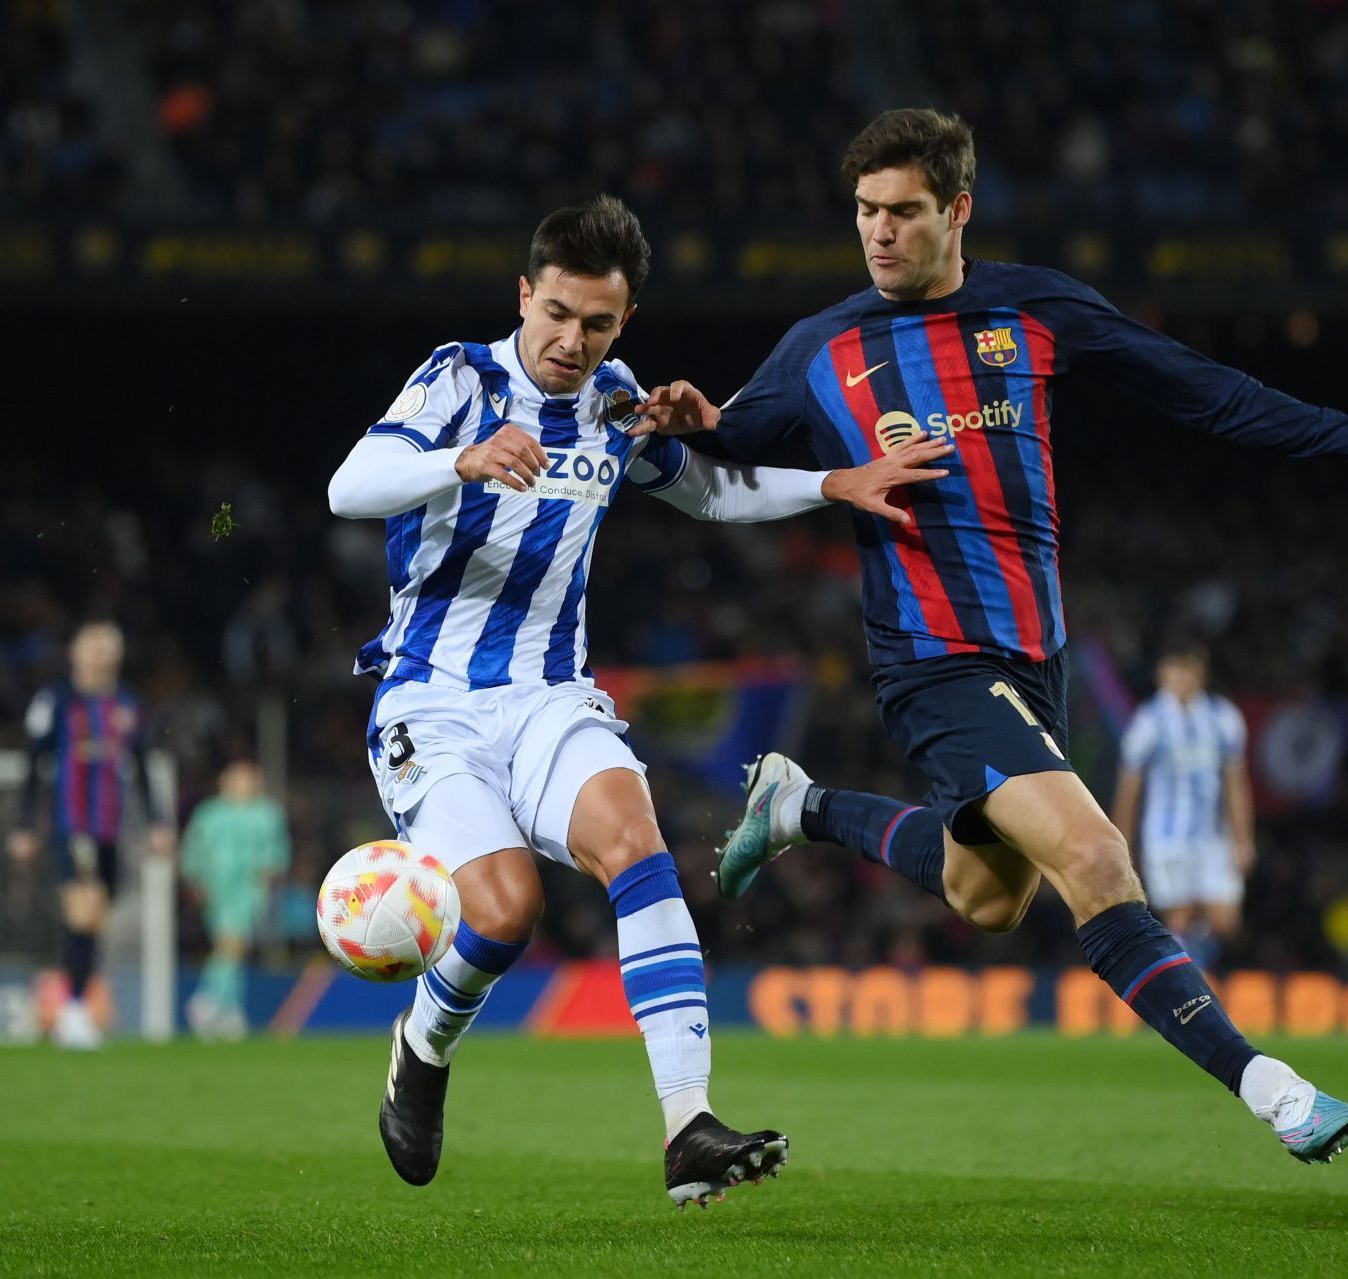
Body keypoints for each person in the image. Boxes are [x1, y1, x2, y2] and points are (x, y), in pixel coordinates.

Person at [636, 108, 1348, 1165]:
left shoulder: (1036, 309)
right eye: (864, 212)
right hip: (930, 659)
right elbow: (727, 453)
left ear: (957, 210)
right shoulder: (822, 347)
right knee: (1093, 855)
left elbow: (1206, 394)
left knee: (984, 895)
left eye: (903, 211)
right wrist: (693, 421)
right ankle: (1274, 1088)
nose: (879, 233)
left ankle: (800, 803)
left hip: (1030, 659)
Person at [326, 194, 949, 1205]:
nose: (573, 341)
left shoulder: (615, 401)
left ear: (624, 324)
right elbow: (349, 486)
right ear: (524, 294)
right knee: (502, 916)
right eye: (559, 314)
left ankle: (686, 1125)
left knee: (639, 847)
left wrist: (835, 483)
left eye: (599, 324)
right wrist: (462, 459)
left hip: (550, 699)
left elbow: (706, 490)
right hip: (431, 705)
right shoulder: (459, 377)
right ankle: (424, 1044)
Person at [10, 620, 174, 1049]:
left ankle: (69, 1001)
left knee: (94, 914)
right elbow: (32, 763)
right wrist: (25, 824)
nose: (103, 652)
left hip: (110, 827)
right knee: (83, 909)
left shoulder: (127, 703)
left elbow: (141, 765)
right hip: (73, 823)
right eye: (95, 644)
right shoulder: (56, 700)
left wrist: (157, 822)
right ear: (75, 651)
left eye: (110, 645)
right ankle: (74, 1009)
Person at [1108, 644, 1252, 972]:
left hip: (1215, 837)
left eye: (1185, 671)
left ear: (1200, 675)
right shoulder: (1148, 722)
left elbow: (1236, 784)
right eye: (1172, 671)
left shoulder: (1223, 717)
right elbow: (1129, 789)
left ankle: (1194, 974)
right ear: (1161, 676)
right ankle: (1192, 990)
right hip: (1166, 837)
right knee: (1180, 915)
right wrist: (1123, 842)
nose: (1178, 679)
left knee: (1226, 919)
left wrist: (1243, 838)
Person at [181, 759, 290, 1040]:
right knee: (230, 945)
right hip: (218, 886)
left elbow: (277, 852)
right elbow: (194, 849)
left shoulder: (266, 813)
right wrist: (196, 879)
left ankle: (224, 1007)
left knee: (234, 947)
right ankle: (209, 1002)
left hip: (250, 888)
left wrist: (268, 877)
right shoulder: (210, 814)